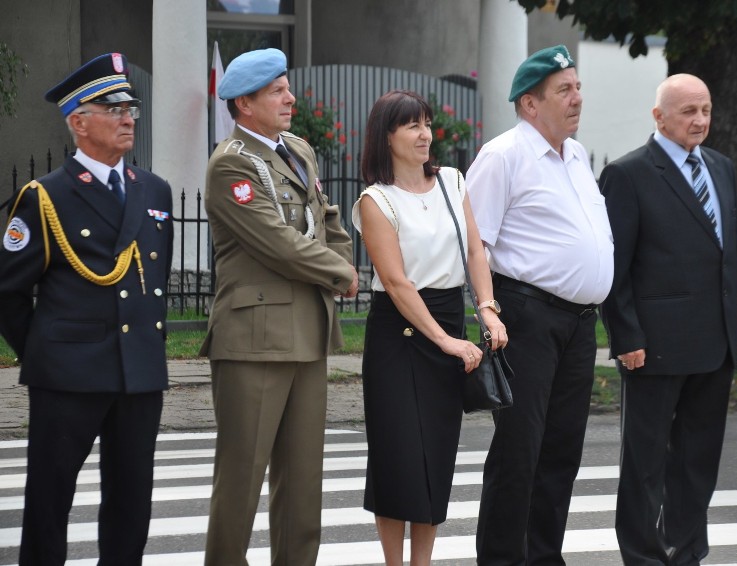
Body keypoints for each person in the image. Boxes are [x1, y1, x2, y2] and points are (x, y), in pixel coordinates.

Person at [0, 53, 173, 564]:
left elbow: (153, 282)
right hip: (68, 376)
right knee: (50, 501)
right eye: (113, 107)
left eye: (131, 108)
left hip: (139, 373)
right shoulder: (46, 196)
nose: (127, 118)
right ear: (79, 122)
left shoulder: (154, 189)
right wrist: (45, 351)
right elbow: (7, 290)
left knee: (131, 503)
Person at [200, 48, 359, 565]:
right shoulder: (231, 166)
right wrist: (341, 274)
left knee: (302, 486)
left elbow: (327, 218)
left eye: (286, 87)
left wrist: (343, 258)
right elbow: (277, 243)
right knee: (242, 482)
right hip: (254, 341)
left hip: (307, 333)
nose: (290, 98)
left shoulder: (298, 150)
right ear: (244, 103)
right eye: (276, 91)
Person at [598, 73, 737, 565]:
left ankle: (688, 553)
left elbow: (734, 251)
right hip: (653, 347)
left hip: (716, 345)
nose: (700, 120)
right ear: (659, 117)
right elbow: (614, 267)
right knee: (644, 465)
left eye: (705, 109)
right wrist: (625, 334)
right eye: (688, 111)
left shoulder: (722, 167)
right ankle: (643, 557)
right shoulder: (628, 174)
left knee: (697, 463)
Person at [466, 45, 614, 564]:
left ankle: (544, 556)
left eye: (577, 86)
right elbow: (475, 243)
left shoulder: (575, 155)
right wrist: (486, 308)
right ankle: (504, 558)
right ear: (530, 104)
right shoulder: (503, 155)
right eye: (563, 90)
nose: (577, 98)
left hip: (577, 324)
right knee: (519, 450)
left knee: (561, 451)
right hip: (526, 317)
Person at [352, 89, 508, 566]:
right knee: (398, 457)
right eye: (412, 126)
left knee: (435, 456)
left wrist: (486, 307)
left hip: (446, 317)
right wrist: (446, 341)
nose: (426, 134)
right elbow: (397, 284)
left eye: (426, 123)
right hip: (397, 335)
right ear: (387, 136)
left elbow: (476, 250)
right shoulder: (375, 200)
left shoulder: (453, 182)